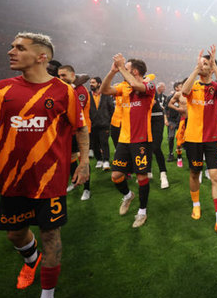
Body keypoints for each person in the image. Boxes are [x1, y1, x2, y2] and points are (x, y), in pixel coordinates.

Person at [0, 32, 90, 298]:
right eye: (12, 46)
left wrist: (84, 162)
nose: (11, 51)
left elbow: (81, 128)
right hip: (12, 178)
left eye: (19, 48)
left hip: (50, 179)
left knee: (51, 235)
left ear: (42, 56)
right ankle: (32, 260)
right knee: (15, 234)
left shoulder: (64, 92)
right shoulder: (1, 88)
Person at [99, 55, 155, 228]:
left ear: (135, 71)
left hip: (142, 140)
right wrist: (112, 72)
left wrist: (121, 67)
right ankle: (128, 195)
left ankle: (142, 212)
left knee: (141, 176)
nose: (122, 70)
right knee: (116, 175)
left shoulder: (149, 85)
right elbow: (104, 90)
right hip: (124, 139)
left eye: (126, 68)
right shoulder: (123, 87)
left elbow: (137, 85)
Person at [181, 45, 217, 234]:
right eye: (201, 63)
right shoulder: (193, 85)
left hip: (212, 139)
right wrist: (196, 69)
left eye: (206, 64)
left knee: (216, 177)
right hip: (193, 138)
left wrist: (214, 67)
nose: (203, 66)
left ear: (211, 67)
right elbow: (184, 92)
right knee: (195, 173)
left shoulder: (216, 87)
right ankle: (196, 205)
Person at [58, 65, 93, 201]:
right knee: (71, 157)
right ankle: (74, 182)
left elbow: (74, 111)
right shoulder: (66, 89)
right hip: (69, 131)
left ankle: (87, 189)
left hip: (81, 130)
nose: (61, 78)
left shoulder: (80, 91)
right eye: (59, 76)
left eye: (64, 75)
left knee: (82, 159)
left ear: (73, 75)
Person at [88, 76, 114, 171]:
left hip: (104, 124)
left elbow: (111, 108)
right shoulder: (88, 95)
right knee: (94, 144)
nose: (91, 84)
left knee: (104, 142)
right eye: (90, 82)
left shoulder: (106, 95)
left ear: (99, 84)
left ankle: (106, 160)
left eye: (93, 82)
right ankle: (99, 160)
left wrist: (108, 121)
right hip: (92, 124)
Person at [149, 81, 169, 189]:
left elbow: (151, 103)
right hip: (144, 119)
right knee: (146, 146)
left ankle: (163, 174)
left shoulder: (148, 86)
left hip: (156, 118)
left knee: (156, 147)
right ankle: (148, 170)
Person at [165, 81, 183, 162]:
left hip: (180, 120)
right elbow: (165, 109)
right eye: (181, 86)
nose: (183, 87)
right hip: (172, 120)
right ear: (176, 88)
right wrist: (166, 119)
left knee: (180, 138)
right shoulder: (170, 98)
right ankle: (171, 154)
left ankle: (179, 154)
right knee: (171, 137)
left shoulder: (184, 97)